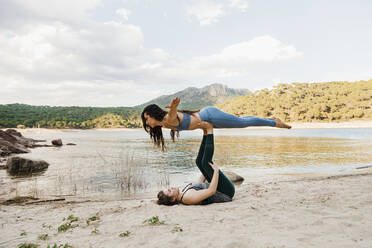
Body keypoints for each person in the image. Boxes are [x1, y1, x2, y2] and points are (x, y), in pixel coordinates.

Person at [141, 97, 291, 150]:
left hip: (210, 115)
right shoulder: (165, 125)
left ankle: (274, 122)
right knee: (242, 121)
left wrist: (174, 107)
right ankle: (271, 119)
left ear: (154, 115)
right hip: (209, 120)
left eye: (147, 118)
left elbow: (172, 116)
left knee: (242, 123)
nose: (147, 123)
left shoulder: (167, 119)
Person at [157, 126, 235, 205]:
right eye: (170, 191)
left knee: (199, 162)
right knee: (205, 162)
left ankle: (205, 132)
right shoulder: (188, 198)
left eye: (169, 188)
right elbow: (211, 191)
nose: (171, 188)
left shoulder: (184, 193)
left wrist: (204, 170)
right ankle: (209, 130)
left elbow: (199, 185)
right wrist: (216, 171)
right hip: (226, 192)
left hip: (220, 189)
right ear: (172, 199)